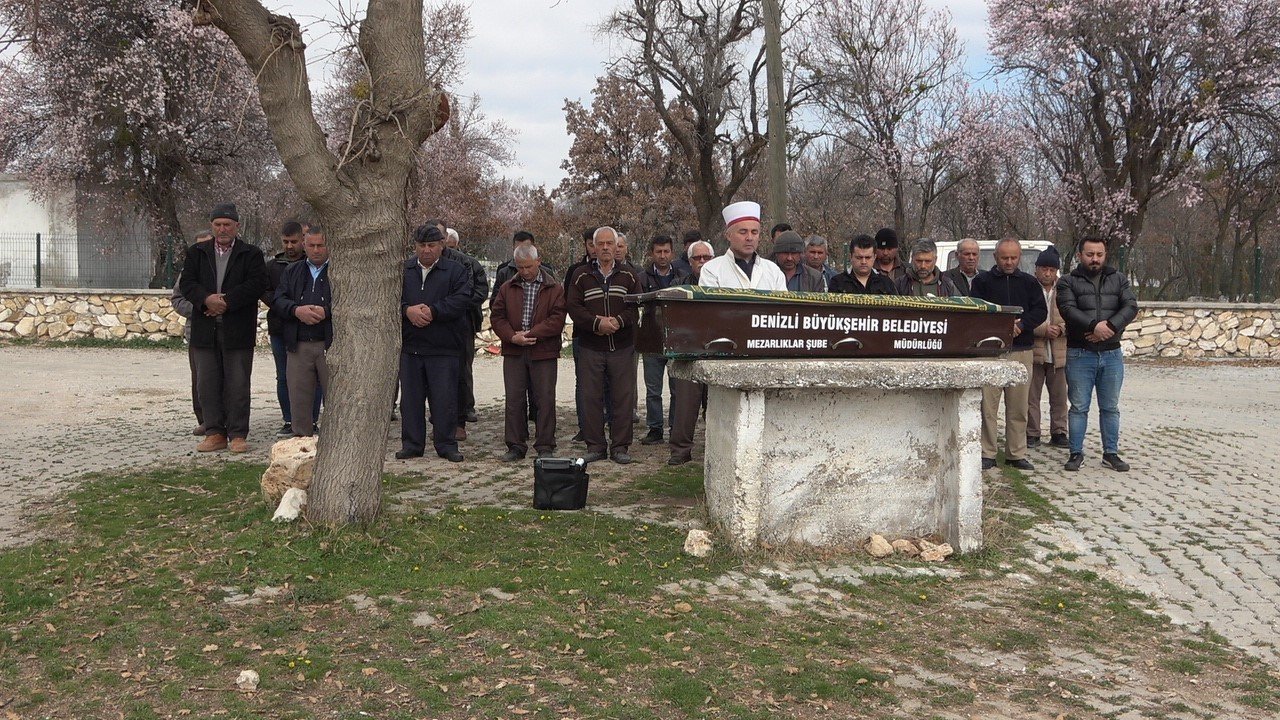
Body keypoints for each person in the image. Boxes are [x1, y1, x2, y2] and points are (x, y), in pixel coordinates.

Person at [179, 203, 268, 453]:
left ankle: (238, 434)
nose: (222, 229)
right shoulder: (197, 253)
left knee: (238, 384)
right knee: (207, 384)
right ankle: (215, 432)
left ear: (237, 226)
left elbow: (257, 283)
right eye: (217, 224)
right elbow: (187, 283)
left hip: (237, 329)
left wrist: (226, 302)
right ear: (212, 226)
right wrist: (206, 299)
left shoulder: (251, 254)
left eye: (227, 224)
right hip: (205, 331)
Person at [1057, 237, 1139, 472]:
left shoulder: (1119, 279)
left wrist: (1109, 328)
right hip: (1080, 353)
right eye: (1090, 254)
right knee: (1079, 406)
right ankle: (1075, 453)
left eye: (1099, 254)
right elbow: (1068, 310)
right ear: (1080, 255)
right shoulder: (1067, 282)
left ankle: (1110, 453)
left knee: (1110, 407)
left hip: (1111, 354)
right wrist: (1094, 326)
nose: (1095, 259)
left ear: (1105, 255)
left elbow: (1130, 307)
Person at [970, 238, 1048, 471]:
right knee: (988, 406)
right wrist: (1000, 327)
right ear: (995, 257)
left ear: (1020, 257)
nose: (1009, 262)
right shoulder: (982, 281)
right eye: (1005, 258)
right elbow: (976, 309)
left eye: (1014, 257)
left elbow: (1040, 311)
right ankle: (987, 452)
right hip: (991, 351)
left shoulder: (1030, 283)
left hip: (1021, 350)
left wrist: (1022, 325)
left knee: (1019, 406)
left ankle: (1016, 453)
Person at [566, 226, 642, 464]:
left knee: (623, 397)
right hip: (591, 346)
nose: (607, 248)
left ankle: (620, 447)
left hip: (621, 346)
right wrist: (597, 323)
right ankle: (595, 446)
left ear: (617, 246)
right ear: (594, 247)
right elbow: (574, 308)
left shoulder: (629, 275)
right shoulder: (580, 275)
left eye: (611, 243)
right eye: (602, 244)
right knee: (591, 397)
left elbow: (636, 306)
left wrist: (618, 322)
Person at [396, 224, 471, 463]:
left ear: (441, 245)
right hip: (411, 346)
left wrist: (433, 311)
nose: (426, 250)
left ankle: (446, 444)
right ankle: (412, 443)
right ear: (415, 246)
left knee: (444, 399)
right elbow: (390, 300)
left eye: (431, 245)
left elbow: (461, 300)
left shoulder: (456, 271)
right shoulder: (403, 270)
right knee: (410, 400)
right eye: (421, 246)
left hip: (444, 346)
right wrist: (407, 311)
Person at [490, 244, 567, 461]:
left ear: (538, 262)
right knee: (514, 399)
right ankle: (515, 445)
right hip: (514, 351)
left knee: (544, 398)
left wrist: (532, 333)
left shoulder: (554, 288)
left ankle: (545, 444)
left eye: (529, 267)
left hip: (543, 351)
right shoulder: (507, 287)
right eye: (520, 267)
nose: (525, 272)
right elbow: (497, 317)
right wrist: (512, 337)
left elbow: (557, 319)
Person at [430, 218, 489, 440]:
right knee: (432, 375)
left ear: (445, 239)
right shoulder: (418, 264)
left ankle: (459, 419)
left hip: (460, 324)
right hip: (429, 325)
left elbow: (478, 290)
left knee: (460, 373)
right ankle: (437, 421)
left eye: (437, 238)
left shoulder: (466, 263)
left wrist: (452, 306)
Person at [271, 225, 331, 437]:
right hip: (299, 344)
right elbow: (278, 300)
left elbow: (350, 302)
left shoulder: (339, 271)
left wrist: (327, 312)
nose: (316, 250)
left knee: (334, 399)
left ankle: (333, 446)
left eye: (320, 245)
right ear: (304, 245)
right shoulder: (292, 271)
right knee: (299, 400)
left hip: (329, 344)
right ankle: (301, 442)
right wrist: (297, 310)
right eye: (311, 245)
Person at [667, 240, 715, 465]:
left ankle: (716, 451)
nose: (702, 262)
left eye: (707, 257)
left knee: (715, 407)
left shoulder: (721, 284)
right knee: (685, 407)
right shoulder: (679, 285)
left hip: (716, 353)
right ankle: (680, 451)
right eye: (698, 258)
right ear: (689, 262)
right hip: (688, 354)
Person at [639, 235, 691, 445]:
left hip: (676, 341)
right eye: (658, 252)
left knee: (677, 389)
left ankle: (676, 428)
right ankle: (655, 429)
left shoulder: (683, 276)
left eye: (666, 251)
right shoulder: (642, 278)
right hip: (652, 341)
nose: (662, 256)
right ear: (652, 253)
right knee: (653, 390)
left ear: (672, 252)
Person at [264, 221, 311, 437]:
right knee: (283, 376)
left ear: (302, 240)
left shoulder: (311, 264)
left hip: (306, 328)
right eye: (286, 242)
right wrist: (285, 306)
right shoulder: (273, 266)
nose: (290, 246)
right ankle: (288, 418)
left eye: (294, 241)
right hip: (280, 327)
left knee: (310, 376)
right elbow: (266, 292)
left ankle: (310, 418)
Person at [170, 230, 213, 435]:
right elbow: (177, 299)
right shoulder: (188, 271)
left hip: (224, 330)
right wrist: (200, 310)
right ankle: (204, 420)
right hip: (197, 332)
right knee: (200, 379)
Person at [1028, 245, 1069, 449]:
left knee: (1060, 397)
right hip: (1035, 350)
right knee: (1031, 396)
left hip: (1059, 352)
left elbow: (1073, 316)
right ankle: (1032, 432)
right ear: (1036, 269)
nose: (1047, 273)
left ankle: (1059, 432)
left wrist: (1061, 329)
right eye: (1043, 268)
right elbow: (1023, 317)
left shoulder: (1064, 289)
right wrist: (1043, 329)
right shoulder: (1028, 286)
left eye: (1051, 269)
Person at [699, 201, 786, 290]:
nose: (749, 238)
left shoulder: (773, 271)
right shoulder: (712, 270)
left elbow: (783, 303)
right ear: (729, 235)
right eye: (743, 232)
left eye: (754, 232)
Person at [829, 234, 897, 295]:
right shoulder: (837, 282)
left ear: (874, 257)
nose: (863, 262)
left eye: (868, 257)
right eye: (859, 257)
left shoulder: (886, 283)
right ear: (851, 257)